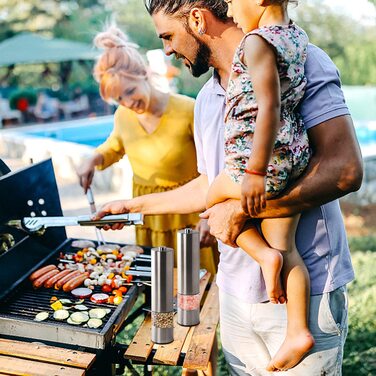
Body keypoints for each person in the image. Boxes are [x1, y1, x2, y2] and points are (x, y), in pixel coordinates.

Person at [94, 1, 363, 374]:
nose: (167, 49)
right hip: (235, 290)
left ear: (197, 19)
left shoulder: (300, 61)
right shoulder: (205, 98)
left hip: (306, 291)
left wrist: (242, 210)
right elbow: (210, 183)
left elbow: (345, 170)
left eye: (168, 36)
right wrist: (132, 206)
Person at [205, 0, 314, 370]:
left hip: (261, 163)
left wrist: (253, 172)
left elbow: (269, 105)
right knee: (288, 248)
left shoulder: (256, 42)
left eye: (234, 2)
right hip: (293, 152)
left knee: (211, 200)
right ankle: (297, 330)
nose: (231, 11)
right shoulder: (298, 37)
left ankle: (261, 254)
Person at [77, 25, 218, 273]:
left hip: (189, 214)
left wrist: (210, 215)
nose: (129, 103)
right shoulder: (123, 115)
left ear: (143, 73)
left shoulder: (187, 110)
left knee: (195, 285)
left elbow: (216, 168)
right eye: (119, 99)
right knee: (154, 285)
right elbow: (115, 146)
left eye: (130, 92)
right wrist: (93, 157)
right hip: (148, 216)